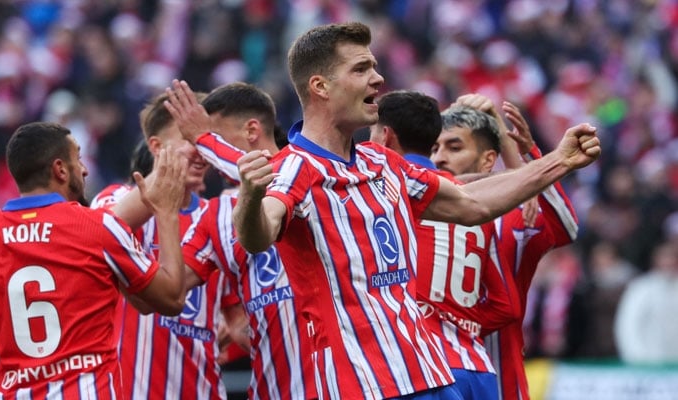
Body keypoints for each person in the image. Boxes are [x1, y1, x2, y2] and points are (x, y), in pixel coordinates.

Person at [171, 22, 599, 399]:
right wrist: (248, 195)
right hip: (361, 384)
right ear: (320, 87)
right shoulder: (295, 170)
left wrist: (558, 160)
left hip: (429, 374)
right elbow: (259, 232)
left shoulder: (382, 162)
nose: (377, 78)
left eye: (374, 66)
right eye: (361, 69)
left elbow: (472, 204)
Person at [0, 121, 187, 398]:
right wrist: (167, 212)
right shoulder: (98, 227)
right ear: (60, 170)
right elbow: (171, 298)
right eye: (78, 158)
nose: (85, 169)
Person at [91, 93, 248, 400]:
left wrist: (235, 329)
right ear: (156, 147)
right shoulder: (114, 199)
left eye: (206, 138)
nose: (202, 149)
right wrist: (163, 187)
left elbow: (237, 319)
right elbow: (98, 233)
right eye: (190, 138)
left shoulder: (220, 217)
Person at [165, 81, 316, 399]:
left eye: (213, 139)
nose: (204, 156)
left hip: (340, 384)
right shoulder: (217, 214)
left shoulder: (308, 169)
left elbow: (273, 176)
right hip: (271, 387)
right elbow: (170, 288)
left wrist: (203, 138)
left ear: (252, 131)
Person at [369, 90, 519, 400]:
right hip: (478, 369)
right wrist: (459, 321)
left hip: (421, 366)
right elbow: (507, 306)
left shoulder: (383, 193)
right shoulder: (475, 207)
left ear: (385, 136)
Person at [432, 95, 581, 400]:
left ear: (488, 160)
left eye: (454, 147)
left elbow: (566, 226)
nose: (439, 158)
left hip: (499, 383)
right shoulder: (414, 210)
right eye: (434, 148)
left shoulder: (514, 219)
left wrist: (523, 154)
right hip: (430, 378)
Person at [614, 240, 678, 364]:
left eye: (673, 257)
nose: (669, 262)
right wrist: (637, 358)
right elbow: (628, 325)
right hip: (648, 364)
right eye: (665, 257)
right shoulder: (641, 288)